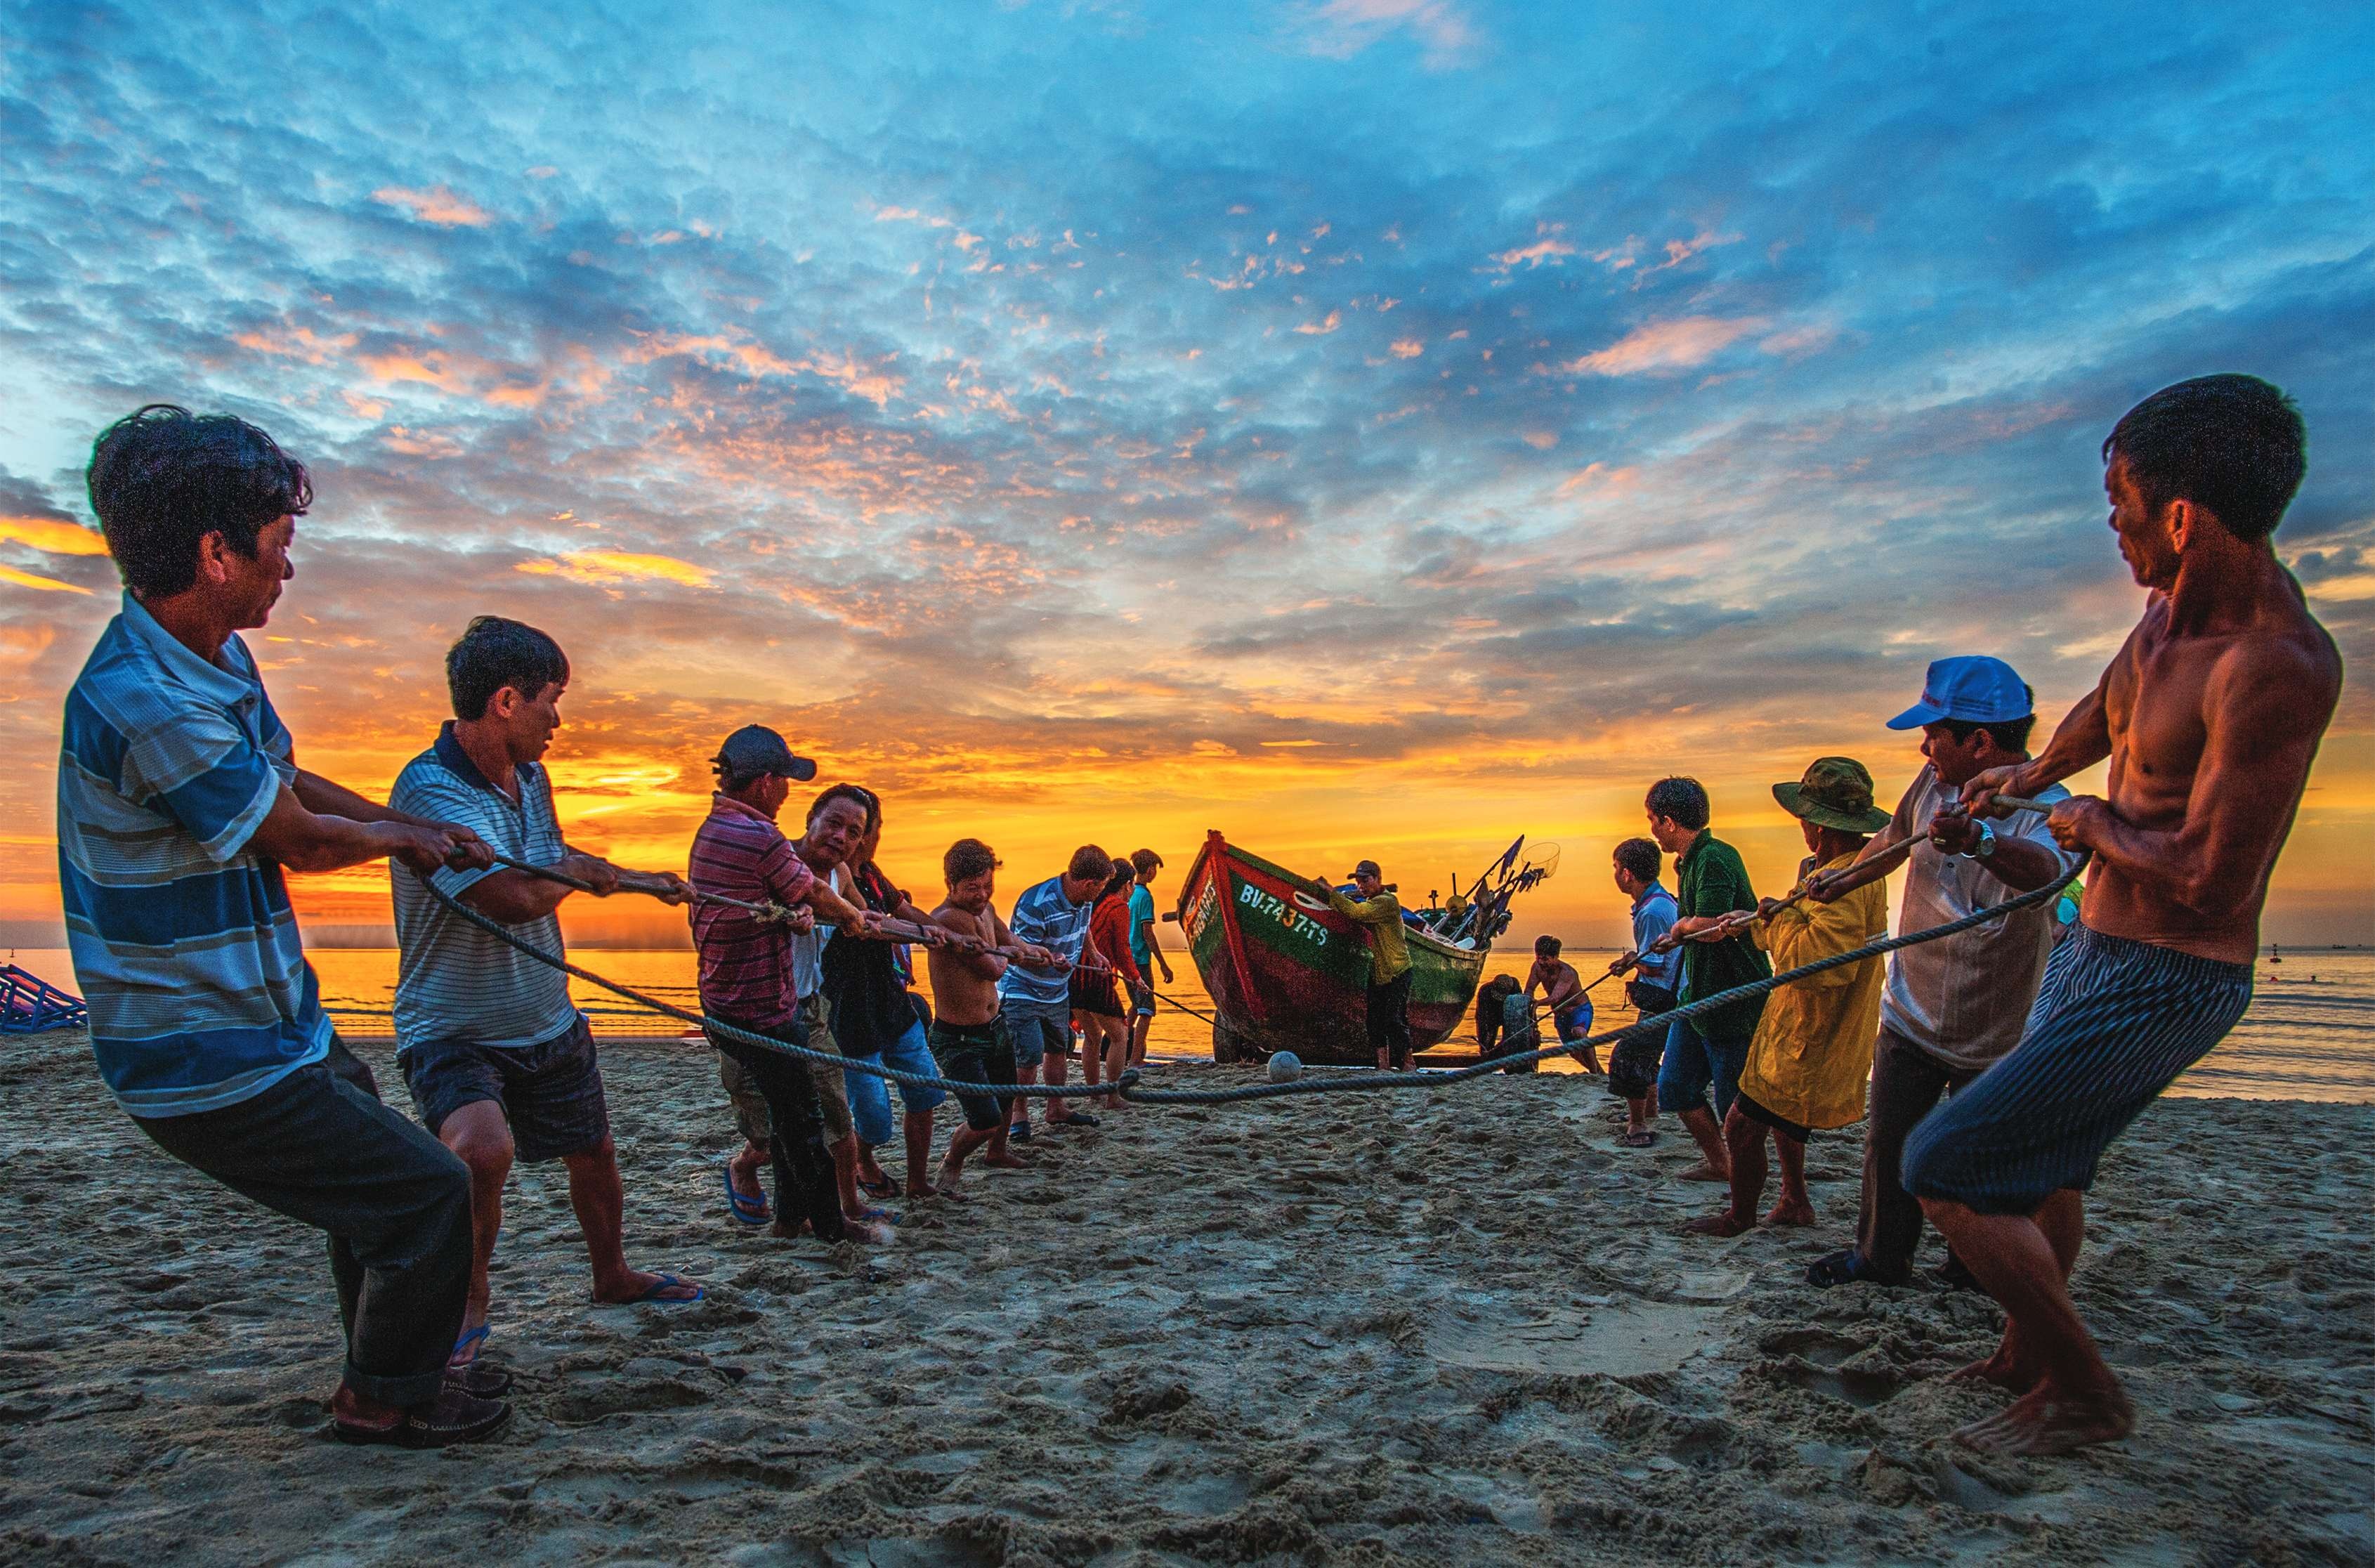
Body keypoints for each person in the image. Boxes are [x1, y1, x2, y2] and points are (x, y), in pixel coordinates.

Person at [1904, 374, 2340, 1456]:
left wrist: (2087, 822)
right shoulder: (2161, 616)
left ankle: (2087, 1390)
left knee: (1945, 1166)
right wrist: (2030, 774)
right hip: (2094, 944)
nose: (2114, 527)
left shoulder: (2272, 664)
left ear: (2180, 516)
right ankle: (2022, 1348)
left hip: (2167, 974)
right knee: (2046, 1166)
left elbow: (2210, 879)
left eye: (2120, 506)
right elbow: (2109, 704)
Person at [60, 405, 506, 1448]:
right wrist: (403, 841)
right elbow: (293, 837)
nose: (287, 571)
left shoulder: (212, 658)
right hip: (196, 1047)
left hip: (278, 1021)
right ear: (216, 553)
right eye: (278, 546)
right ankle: (383, 1400)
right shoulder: (142, 699)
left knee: (386, 1191)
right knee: (429, 1192)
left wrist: (415, 822)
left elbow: (291, 779)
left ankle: (386, 1371)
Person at [389, 617, 705, 1374]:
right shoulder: (429, 790)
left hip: (545, 1014)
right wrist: (581, 888)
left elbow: (551, 859)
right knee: (480, 1151)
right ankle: (467, 1304)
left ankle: (612, 1274)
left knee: (594, 1151)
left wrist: (637, 880)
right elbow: (507, 895)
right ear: (506, 700)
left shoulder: (531, 777)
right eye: (551, 701)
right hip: (454, 1026)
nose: (558, 720)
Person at [1798, 658, 2079, 1291]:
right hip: (1910, 1011)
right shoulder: (1929, 786)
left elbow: (2048, 876)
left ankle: (1970, 1266)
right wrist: (1837, 881)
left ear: (1979, 742)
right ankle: (1879, 1260)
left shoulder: (2048, 807)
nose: (1924, 748)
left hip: (1998, 1028)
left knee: (1978, 1163)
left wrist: (1980, 841)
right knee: (1888, 1145)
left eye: (1935, 735)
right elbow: (1893, 840)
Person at [688, 727, 889, 1246]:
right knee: (801, 1123)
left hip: (724, 1002)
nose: (785, 793)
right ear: (766, 782)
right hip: (759, 1008)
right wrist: (849, 917)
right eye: (784, 782)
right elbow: (812, 894)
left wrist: (803, 912)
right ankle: (828, 1226)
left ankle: (785, 1221)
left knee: (791, 1118)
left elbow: (793, 896)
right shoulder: (758, 836)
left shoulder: (714, 826)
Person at [1684, 758, 1892, 1238]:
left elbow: (1811, 961)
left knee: (1740, 1124)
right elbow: (1800, 927)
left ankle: (1740, 1216)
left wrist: (1774, 920)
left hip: (1814, 1026)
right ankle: (1795, 1199)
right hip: (1801, 1023)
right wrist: (1758, 918)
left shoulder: (1846, 881)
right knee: (1785, 1119)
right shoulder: (1837, 869)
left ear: (1816, 825)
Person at [816, 785, 954, 1203]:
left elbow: (899, 910)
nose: (867, 837)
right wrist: (919, 933)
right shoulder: (832, 876)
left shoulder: (871, 873)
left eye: (860, 828)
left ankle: (917, 1180)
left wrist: (941, 932)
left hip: (892, 1002)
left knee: (926, 1090)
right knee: (874, 1117)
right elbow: (869, 922)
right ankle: (866, 1160)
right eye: (865, 829)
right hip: (851, 1010)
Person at [1644, 778, 1768, 1181]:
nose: (1651, 829)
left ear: (1669, 821)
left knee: (1735, 1102)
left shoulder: (1714, 857)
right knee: (1675, 1087)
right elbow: (1697, 925)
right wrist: (1673, 937)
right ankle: (1723, 1165)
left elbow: (1713, 928)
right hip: (1696, 995)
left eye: (1652, 820)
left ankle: (1746, 1184)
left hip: (1730, 996)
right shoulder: (1689, 863)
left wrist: (1679, 928)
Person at [928, 839, 1059, 1194]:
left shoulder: (985, 909)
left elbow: (1008, 938)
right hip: (958, 1037)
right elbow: (992, 969)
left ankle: (996, 1153)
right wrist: (1009, 955)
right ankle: (952, 1160)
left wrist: (1037, 951)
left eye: (987, 885)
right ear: (950, 885)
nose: (981, 894)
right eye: (972, 888)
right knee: (984, 1118)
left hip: (994, 1026)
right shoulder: (949, 919)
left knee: (1005, 1098)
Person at [999, 845, 1113, 1137]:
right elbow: (1020, 952)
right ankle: (1018, 1115)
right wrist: (1050, 959)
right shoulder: (1036, 903)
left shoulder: (1085, 902)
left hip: (1058, 992)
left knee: (1059, 1048)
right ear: (1090, 883)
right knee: (1027, 1057)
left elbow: (1084, 927)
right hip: (1023, 989)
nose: (1100, 893)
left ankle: (1055, 1108)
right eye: (1101, 887)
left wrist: (1095, 954)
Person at [1305, 859, 1413, 1070]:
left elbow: (1358, 913)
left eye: (1365, 880)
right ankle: (1383, 1066)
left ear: (1378, 879)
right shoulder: (1371, 901)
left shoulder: (1386, 902)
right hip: (1378, 972)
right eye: (1358, 882)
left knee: (1394, 1020)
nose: (1361, 886)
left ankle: (1409, 1063)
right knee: (1374, 1022)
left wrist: (1331, 892)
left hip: (1398, 970)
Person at [1607, 838, 1680, 1147]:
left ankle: (1637, 1125)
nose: (1615, 874)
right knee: (1649, 1055)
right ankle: (1650, 1111)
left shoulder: (1652, 911)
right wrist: (1631, 960)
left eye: (1615, 867)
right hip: (1661, 993)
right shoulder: (1661, 902)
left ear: (1627, 874)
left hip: (1664, 995)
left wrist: (1629, 964)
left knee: (1629, 1054)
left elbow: (1654, 964)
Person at [1082, 858, 1145, 1109]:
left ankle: (1094, 1094)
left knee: (1092, 1036)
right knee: (1120, 1035)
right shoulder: (1118, 907)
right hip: (1095, 979)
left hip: (1075, 980)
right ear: (1128, 885)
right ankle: (1113, 1096)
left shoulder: (1092, 903)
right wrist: (1136, 978)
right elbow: (1122, 950)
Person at [1126, 849, 1173, 1069]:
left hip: (1127, 959)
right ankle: (1135, 1059)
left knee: (1135, 1007)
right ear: (1150, 870)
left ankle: (1118, 1049)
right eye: (1155, 868)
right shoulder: (1145, 897)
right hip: (1141, 960)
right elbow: (1148, 932)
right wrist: (1163, 964)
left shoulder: (1131, 894)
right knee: (1146, 1011)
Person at [1523, 935, 1592, 1074]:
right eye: (1538, 957)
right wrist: (1527, 1002)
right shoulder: (1537, 968)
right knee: (1573, 1051)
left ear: (1555, 957)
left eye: (1545, 959)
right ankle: (1599, 1072)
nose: (1541, 962)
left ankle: (1595, 1073)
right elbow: (1530, 989)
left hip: (1579, 1010)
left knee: (1579, 1033)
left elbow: (1555, 997)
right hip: (1560, 1015)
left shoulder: (1567, 973)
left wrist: (1538, 1004)